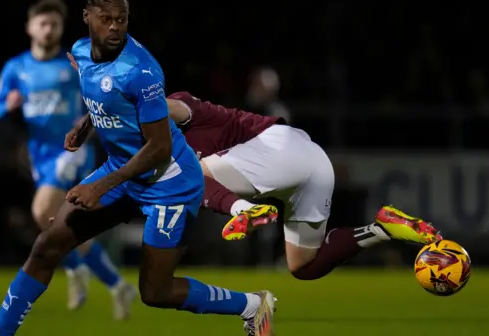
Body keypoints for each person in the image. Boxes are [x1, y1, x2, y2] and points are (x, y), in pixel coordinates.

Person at [0, 0, 275, 336]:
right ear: (87, 17)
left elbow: (159, 149)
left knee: (156, 292)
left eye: (122, 19)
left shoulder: (141, 71)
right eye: (106, 19)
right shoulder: (80, 52)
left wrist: (99, 187)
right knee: (48, 244)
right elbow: (104, 94)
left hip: (169, 184)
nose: (115, 27)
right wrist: (87, 123)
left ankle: (252, 305)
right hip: (124, 171)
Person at [165, 91, 443, 281]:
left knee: (186, 176)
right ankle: (382, 229)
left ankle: (245, 210)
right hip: (313, 160)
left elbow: (172, 108)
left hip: (277, 148)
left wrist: (128, 105)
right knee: (303, 265)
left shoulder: (173, 108)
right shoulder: (153, 149)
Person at [0, 0, 135, 317]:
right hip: (39, 155)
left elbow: (99, 97)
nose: (49, 29)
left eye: (55, 23)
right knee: (60, 226)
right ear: (30, 28)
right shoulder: (16, 68)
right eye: (43, 23)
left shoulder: (72, 65)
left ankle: (76, 269)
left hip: (72, 150)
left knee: (41, 210)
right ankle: (115, 284)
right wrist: (7, 105)